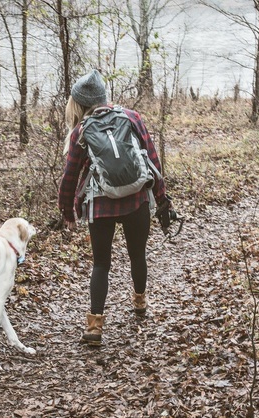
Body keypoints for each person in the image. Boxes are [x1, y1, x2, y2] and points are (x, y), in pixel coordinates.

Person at [58, 69, 173, 346]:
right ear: (103, 96)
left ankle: (95, 327)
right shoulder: (131, 117)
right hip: (137, 200)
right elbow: (152, 160)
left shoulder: (81, 131)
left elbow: (70, 176)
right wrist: (162, 199)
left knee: (101, 263)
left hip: (100, 205)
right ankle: (140, 302)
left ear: (78, 103)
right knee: (137, 255)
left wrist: (67, 212)